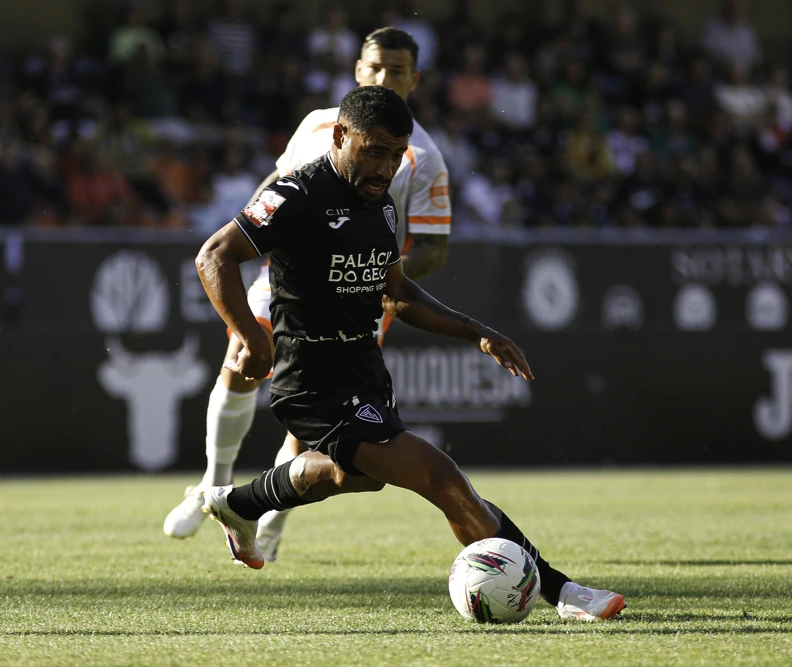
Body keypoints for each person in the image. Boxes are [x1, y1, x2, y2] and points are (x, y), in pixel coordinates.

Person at [195, 84, 627, 622]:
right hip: (310, 373)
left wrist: (477, 333)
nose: (385, 166)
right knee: (440, 477)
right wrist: (250, 334)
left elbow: (396, 294)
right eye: (374, 150)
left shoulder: (383, 207)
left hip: (363, 369)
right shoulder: (295, 196)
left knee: (357, 475)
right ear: (339, 136)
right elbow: (214, 254)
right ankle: (563, 592)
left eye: (396, 153)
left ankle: (238, 504)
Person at [163, 28, 451, 561]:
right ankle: (210, 485)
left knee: (317, 418)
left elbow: (433, 245)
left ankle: (269, 517)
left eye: (396, 70)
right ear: (357, 69)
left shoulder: (424, 156)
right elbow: (274, 185)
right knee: (239, 361)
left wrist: (367, 274)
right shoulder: (319, 124)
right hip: (286, 277)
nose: (384, 77)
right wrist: (251, 231)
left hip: (355, 295)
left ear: (416, 78)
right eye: (374, 67)